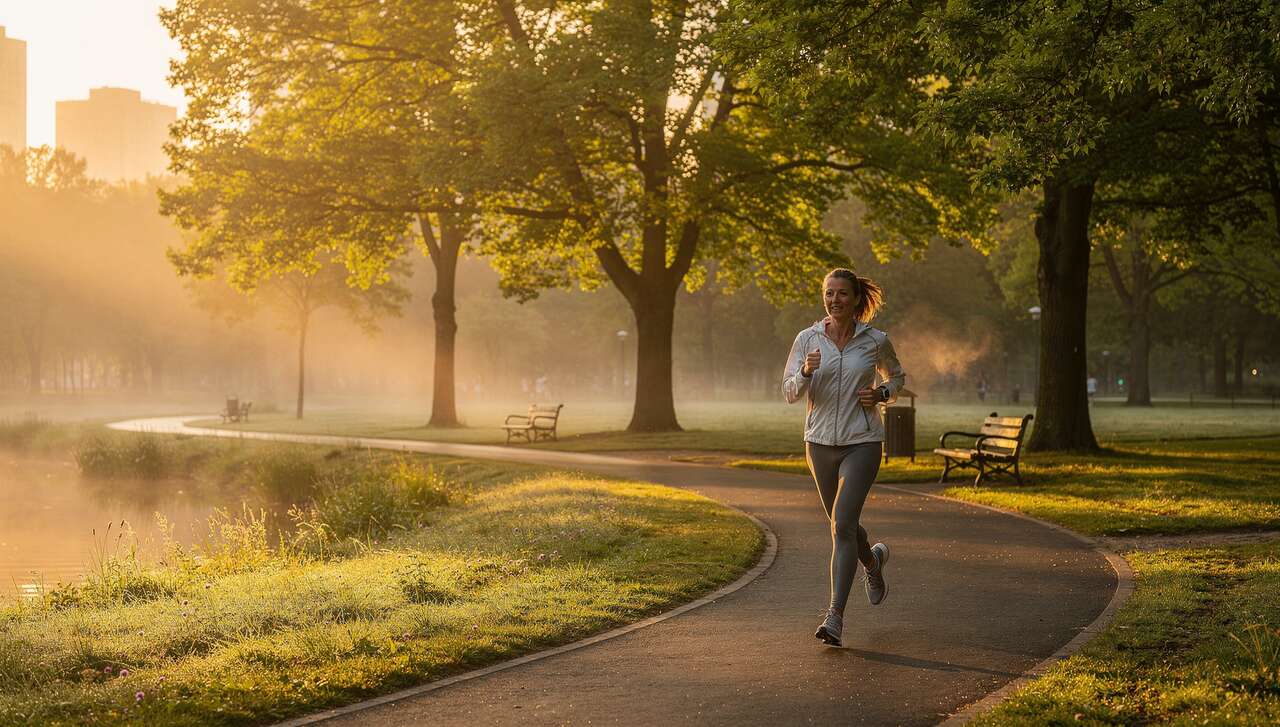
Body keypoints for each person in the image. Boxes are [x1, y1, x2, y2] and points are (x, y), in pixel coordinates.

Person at [782, 268, 906, 647]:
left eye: (842, 294)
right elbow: (788, 391)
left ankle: (834, 616)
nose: (835, 300)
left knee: (842, 524)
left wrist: (882, 394)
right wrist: (804, 372)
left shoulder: (875, 340)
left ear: (856, 300)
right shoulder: (807, 339)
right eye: (829, 294)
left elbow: (897, 378)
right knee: (843, 526)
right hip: (818, 443)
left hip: (863, 441)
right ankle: (872, 562)